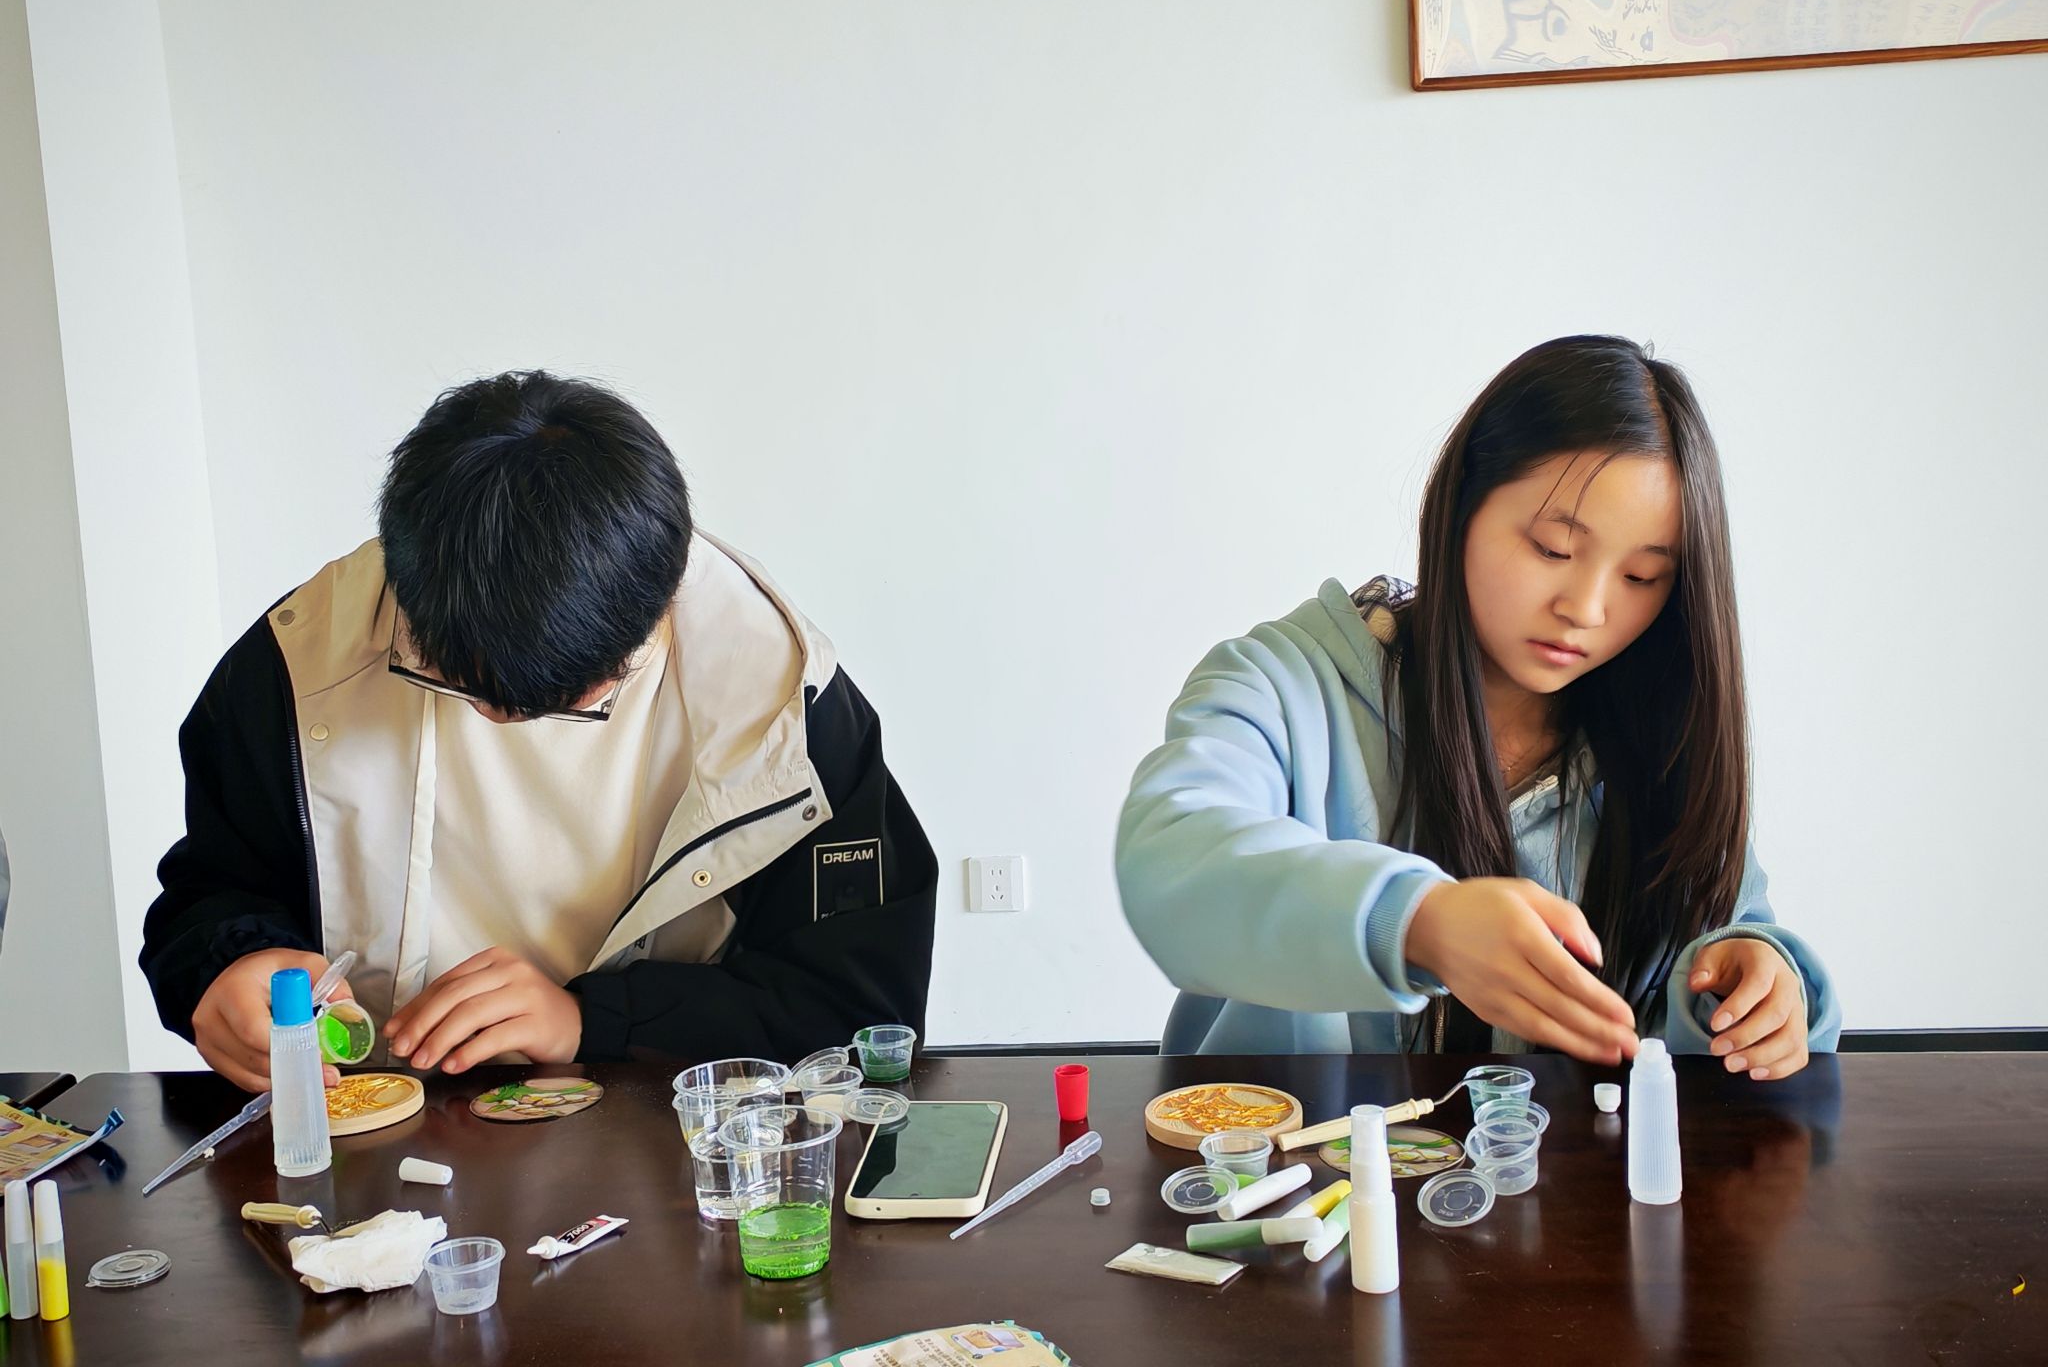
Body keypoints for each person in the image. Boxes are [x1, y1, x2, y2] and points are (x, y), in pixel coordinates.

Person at [142, 371, 936, 1091]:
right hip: (385, 1130)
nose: (502, 716)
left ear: (663, 602)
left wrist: (591, 1021)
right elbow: (212, 892)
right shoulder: (296, 668)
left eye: (567, 696)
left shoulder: (783, 709)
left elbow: (859, 1013)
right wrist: (229, 967)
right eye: (460, 681)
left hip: (668, 1138)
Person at [1116, 336, 1838, 1076]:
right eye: (1554, 549)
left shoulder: (1665, 740)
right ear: (1460, 504)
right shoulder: (1282, 685)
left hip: (1557, 1153)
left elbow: (1720, 954)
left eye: (1642, 578)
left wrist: (1751, 989)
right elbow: (1172, 865)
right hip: (1280, 1151)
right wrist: (1415, 924)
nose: (1587, 608)